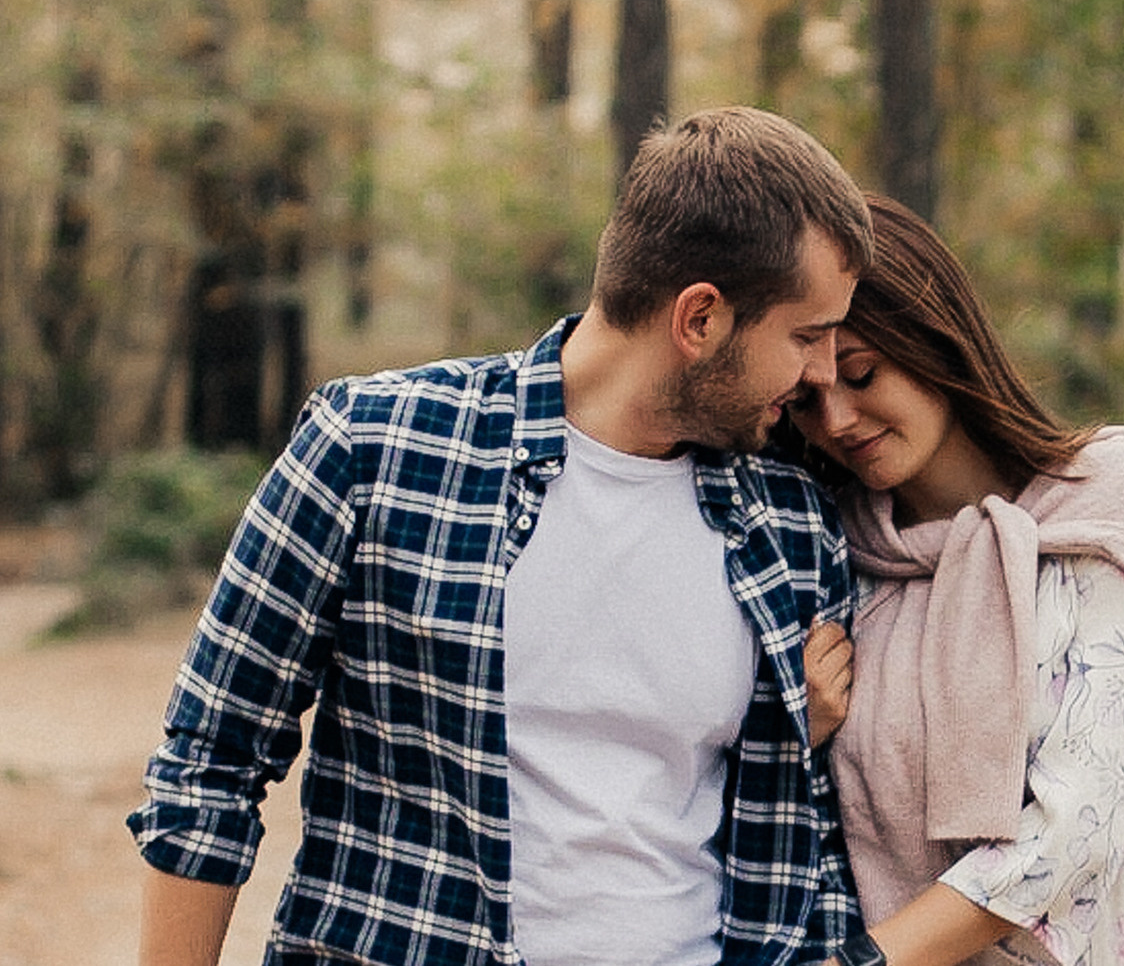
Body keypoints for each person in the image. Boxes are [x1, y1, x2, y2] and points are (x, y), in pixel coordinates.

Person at [130, 106, 888, 966]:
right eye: (808, 336)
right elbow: (210, 763)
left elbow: (805, 852)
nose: (823, 374)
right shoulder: (376, 447)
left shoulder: (790, 524)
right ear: (700, 319)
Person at [780, 196, 1124, 966]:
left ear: (936, 338)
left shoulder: (1119, 500)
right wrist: (792, 734)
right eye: (807, 401)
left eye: (861, 373)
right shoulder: (832, 560)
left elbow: (1080, 817)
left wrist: (862, 963)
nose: (838, 419)